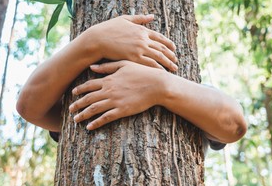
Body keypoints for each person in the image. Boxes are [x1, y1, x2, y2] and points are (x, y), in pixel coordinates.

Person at [16, 14, 247, 150]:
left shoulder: (195, 98)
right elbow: (28, 106)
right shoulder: (77, 92)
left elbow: (234, 124)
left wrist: (159, 85)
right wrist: (94, 41)